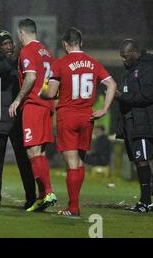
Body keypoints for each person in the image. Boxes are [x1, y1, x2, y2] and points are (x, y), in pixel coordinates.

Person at [42, 27, 116, 216]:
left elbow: (50, 93)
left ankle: (73, 206)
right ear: (81, 42)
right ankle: (74, 203)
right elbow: (111, 84)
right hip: (87, 117)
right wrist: (105, 109)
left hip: (68, 116)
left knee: (72, 164)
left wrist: (39, 91)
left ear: (65, 45)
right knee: (80, 162)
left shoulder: (61, 63)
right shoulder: (93, 63)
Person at [0, 30, 36, 209]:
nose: (8, 46)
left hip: (16, 117)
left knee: (24, 160)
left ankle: (31, 198)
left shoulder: (20, 62)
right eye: (4, 44)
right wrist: (12, 60)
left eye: (10, 43)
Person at [9, 18, 57, 212]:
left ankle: (48, 192)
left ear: (21, 32)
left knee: (31, 151)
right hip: (47, 106)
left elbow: (30, 77)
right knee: (41, 153)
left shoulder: (27, 51)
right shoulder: (48, 52)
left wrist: (18, 100)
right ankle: (42, 196)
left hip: (34, 105)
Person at [115, 39, 153, 213]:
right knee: (139, 161)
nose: (123, 60)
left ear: (134, 52)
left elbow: (148, 95)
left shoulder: (147, 68)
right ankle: (144, 202)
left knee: (143, 160)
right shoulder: (130, 71)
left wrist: (122, 96)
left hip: (143, 122)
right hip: (132, 122)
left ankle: (147, 202)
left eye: (125, 56)